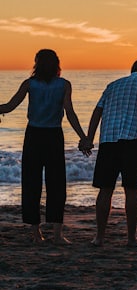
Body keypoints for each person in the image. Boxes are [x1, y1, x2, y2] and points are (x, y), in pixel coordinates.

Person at [0, 49, 90, 244]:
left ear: (36, 63)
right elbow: (70, 113)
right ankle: (57, 234)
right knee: (57, 183)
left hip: (33, 135)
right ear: (57, 64)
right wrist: (83, 137)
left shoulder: (29, 84)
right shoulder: (64, 84)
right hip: (53, 136)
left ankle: (36, 233)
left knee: (31, 183)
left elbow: (8, 106)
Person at [83, 59, 137, 247]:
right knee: (131, 189)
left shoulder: (113, 85)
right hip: (133, 139)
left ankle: (99, 237)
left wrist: (89, 138)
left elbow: (97, 111)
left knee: (105, 189)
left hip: (108, 140)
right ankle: (131, 238)